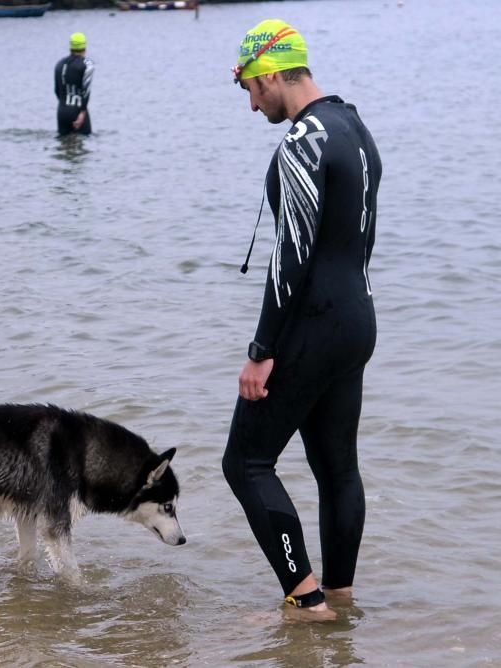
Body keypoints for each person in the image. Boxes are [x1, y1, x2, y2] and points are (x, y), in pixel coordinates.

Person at [221, 19, 382, 619]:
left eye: (247, 88)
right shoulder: (354, 127)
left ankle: (307, 600)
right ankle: (339, 594)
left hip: (311, 323)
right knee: (337, 466)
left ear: (267, 74)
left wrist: (262, 348)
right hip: (357, 319)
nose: (251, 103)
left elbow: (291, 254)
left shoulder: (301, 140)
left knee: (245, 462)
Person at [54, 32, 94, 136]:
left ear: (70, 47)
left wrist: (65, 105)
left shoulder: (59, 64)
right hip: (78, 111)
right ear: (84, 47)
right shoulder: (87, 64)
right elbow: (86, 91)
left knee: (64, 146)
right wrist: (82, 112)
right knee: (84, 144)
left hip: (62, 111)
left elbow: (57, 90)